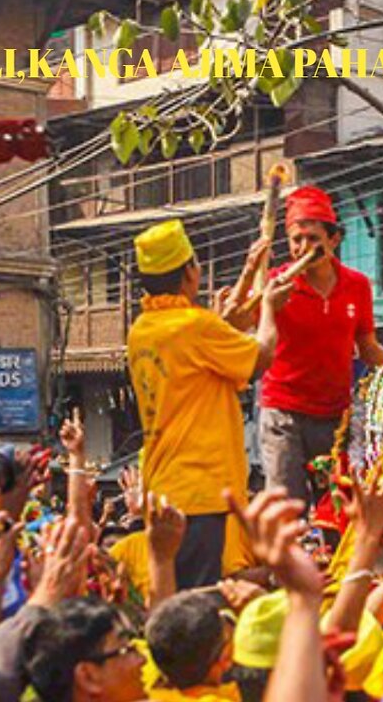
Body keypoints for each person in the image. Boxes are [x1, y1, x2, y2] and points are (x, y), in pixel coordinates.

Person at [125, 219, 289, 589]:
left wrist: (248, 278)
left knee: (173, 597)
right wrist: (269, 309)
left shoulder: (142, 330)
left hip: (162, 489)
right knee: (200, 606)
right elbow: (260, 356)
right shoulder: (193, 327)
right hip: (199, 495)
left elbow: (206, 348)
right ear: (188, 274)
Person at [255, 185, 383, 505]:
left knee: (340, 509)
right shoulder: (276, 282)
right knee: (287, 512)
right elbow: (244, 329)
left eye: (313, 239)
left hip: (336, 416)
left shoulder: (357, 285)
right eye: (296, 240)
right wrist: (267, 303)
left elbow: (367, 348)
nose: (303, 248)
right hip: (283, 414)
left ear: (333, 240)